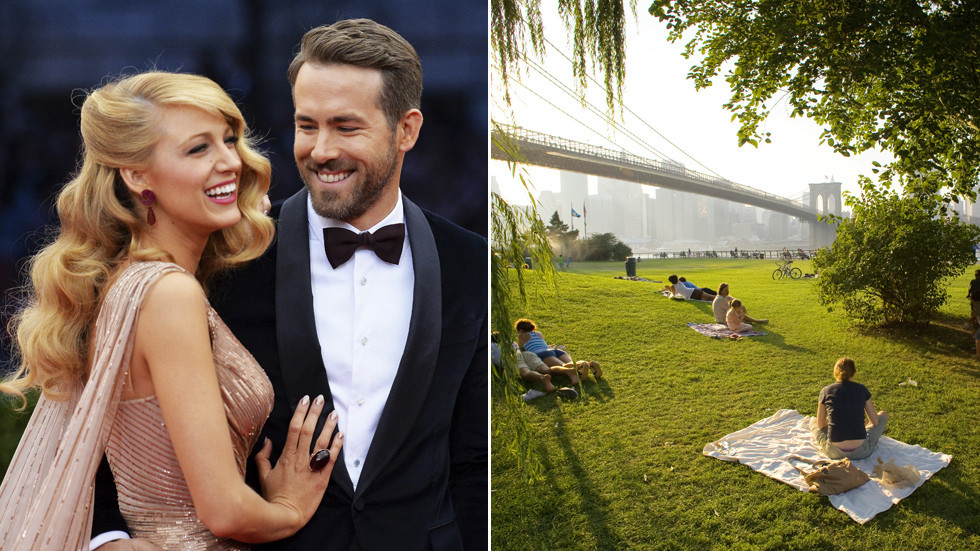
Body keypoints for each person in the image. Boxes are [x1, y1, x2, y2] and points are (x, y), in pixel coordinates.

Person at [88, 20, 487, 551]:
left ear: (406, 131)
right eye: (307, 125)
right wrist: (108, 538)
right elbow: (119, 419)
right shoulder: (229, 253)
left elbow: (474, 458)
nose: (320, 150)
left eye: (346, 127)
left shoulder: (470, 263)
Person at [0, 72, 344, 550]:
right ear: (137, 175)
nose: (230, 162)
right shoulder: (168, 294)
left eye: (229, 140)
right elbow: (224, 511)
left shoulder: (127, 282)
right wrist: (288, 508)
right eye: (198, 149)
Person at [809, 357, 888, 460]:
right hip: (861, 451)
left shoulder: (826, 391)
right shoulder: (862, 389)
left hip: (834, 451)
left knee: (813, 421)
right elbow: (875, 422)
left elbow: (820, 425)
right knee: (882, 415)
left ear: (835, 372)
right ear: (853, 373)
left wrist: (832, 421)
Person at [515, 319, 590, 382]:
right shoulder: (538, 333)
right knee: (570, 363)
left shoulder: (521, 336)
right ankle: (587, 364)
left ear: (520, 330)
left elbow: (521, 349)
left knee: (562, 366)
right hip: (553, 350)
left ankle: (579, 370)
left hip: (543, 354)